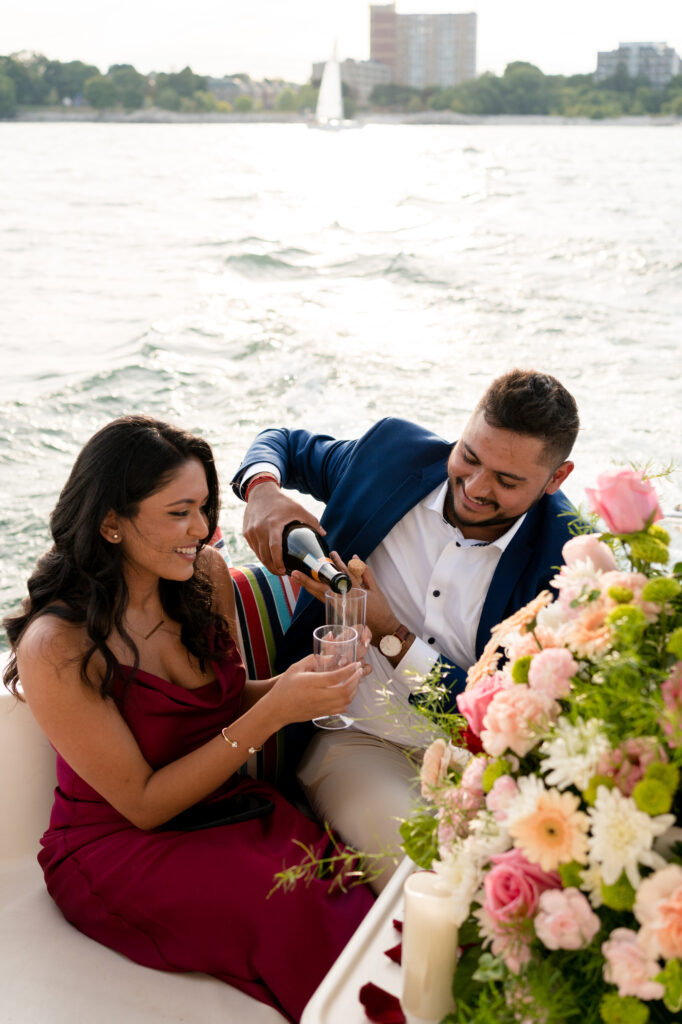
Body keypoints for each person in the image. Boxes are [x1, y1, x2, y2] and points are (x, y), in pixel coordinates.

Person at [2, 415, 373, 1024]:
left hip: (228, 807)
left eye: (204, 508)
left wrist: (295, 684)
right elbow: (144, 804)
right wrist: (275, 712)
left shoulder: (202, 579)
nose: (201, 531)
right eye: (179, 513)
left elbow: (225, 706)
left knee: (340, 884)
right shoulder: (56, 646)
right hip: (122, 847)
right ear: (111, 522)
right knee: (280, 905)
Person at [231, 369, 581, 892]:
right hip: (357, 740)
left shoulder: (565, 561)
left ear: (556, 479)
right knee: (429, 876)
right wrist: (261, 491)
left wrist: (389, 630)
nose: (477, 487)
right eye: (469, 456)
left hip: (478, 764)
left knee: (543, 885)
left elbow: (498, 719)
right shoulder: (390, 458)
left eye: (507, 481)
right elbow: (281, 443)